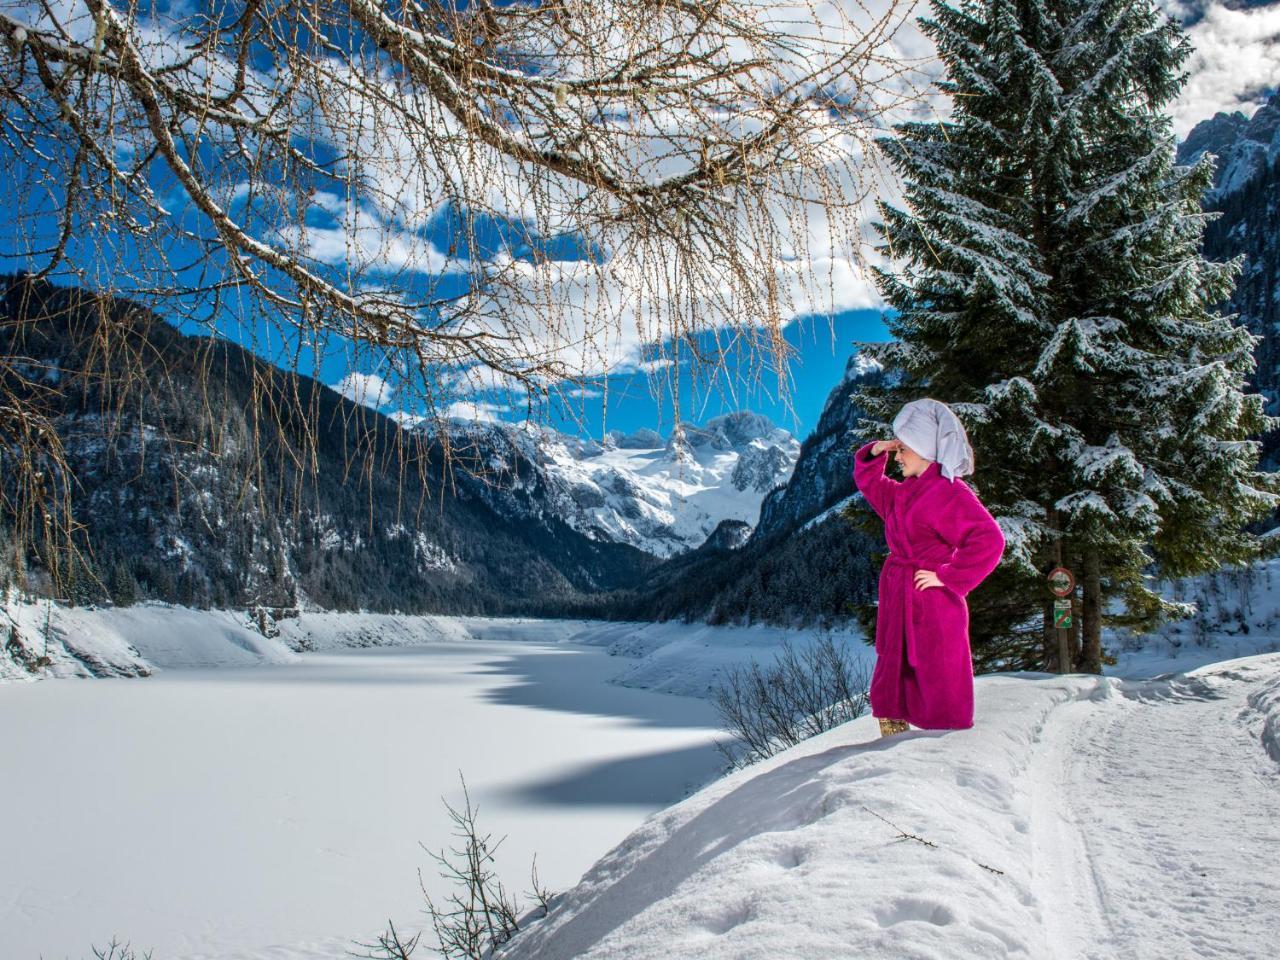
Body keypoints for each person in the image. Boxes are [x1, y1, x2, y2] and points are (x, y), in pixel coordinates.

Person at [852, 398, 1006, 737]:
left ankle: (941, 746)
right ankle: (892, 741)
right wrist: (876, 450)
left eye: (904, 448)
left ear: (925, 449)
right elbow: (870, 484)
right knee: (895, 667)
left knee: (938, 669)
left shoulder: (949, 493)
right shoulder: (903, 493)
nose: (898, 455)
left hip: (932, 600)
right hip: (900, 595)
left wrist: (948, 576)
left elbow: (990, 540)